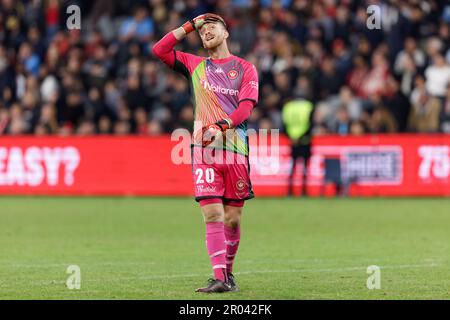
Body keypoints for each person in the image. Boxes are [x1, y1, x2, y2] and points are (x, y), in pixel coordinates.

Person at [152, 13, 259, 293]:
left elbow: (246, 107)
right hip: (204, 151)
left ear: (226, 33)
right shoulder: (195, 64)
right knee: (212, 215)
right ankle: (219, 277)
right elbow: (159, 50)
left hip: (235, 150)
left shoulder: (245, 68)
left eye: (212, 27)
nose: (206, 31)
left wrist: (222, 126)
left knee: (232, 218)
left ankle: (229, 273)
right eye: (202, 30)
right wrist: (188, 25)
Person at [282, 97, 314, 197]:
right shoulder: (308, 106)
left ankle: (290, 191)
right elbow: (311, 124)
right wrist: (301, 137)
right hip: (305, 141)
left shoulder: (288, 107)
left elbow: (284, 124)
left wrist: (292, 137)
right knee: (304, 167)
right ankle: (304, 191)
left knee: (293, 167)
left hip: (293, 141)